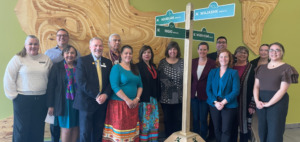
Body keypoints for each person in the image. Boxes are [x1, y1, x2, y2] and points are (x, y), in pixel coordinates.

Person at [3, 35, 53, 142]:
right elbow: (9, 78)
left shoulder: (46, 59)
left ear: (39, 46)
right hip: (22, 100)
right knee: (21, 130)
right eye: (30, 43)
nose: (33, 46)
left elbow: (52, 80)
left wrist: (49, 100)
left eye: (35, 44)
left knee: (38, 129)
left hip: (41, 100)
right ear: (25, 45)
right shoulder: (18, 58)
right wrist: (14, 96)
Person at [253, 42, 298, 142]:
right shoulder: (260, 68)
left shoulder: (287, 69)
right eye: (271, 50)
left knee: (275, 132)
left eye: (277, 50)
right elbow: (256, 86)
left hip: (277, 103)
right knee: (262, 131)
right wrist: (257, 101)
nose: (274, 52)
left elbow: (283, 90)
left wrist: (269, 103)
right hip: (261, 102)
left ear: (282, 53)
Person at [73, 37, 113, 141]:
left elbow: (111, 82)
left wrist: (105, 95)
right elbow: (81, 82)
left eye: (100, 46)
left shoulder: (108, 62)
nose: (98, 48)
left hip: (101, 104)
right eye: (95, 45)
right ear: (90, 47)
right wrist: (97, 95)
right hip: (86, 104)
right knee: (85, 134)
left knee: (98, 132)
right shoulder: (82, 61)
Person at [45, 29, 80, 142]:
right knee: (66, 128)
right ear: (63, 54)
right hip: (63, 102)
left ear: (75, 55)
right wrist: (51, 105)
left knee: (76, 127)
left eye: (72, 53)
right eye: (67, 53)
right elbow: (51, 86)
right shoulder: (57, 67)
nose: (70, 55)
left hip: (77, 101)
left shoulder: (79, 67)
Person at [103, 45, 143, 142]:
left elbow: (140, 85)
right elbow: (115, 86)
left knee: (131, 133)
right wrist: (127, 100)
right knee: (120, 134)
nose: (128, 55)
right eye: (126, 53)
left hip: (133, 105)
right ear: (121, 55)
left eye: (130, 53)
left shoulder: (135, 68)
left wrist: (137, 99)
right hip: (119, 105)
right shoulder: (116, 68)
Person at [206, 49, 240, 142]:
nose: (223, 59)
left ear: (229, 59)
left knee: (226, 130)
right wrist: (216, 102)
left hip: (229, 104)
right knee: (217, 128)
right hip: (214, 103)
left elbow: (236, 90)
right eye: (221, 56)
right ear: (218, 59)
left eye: (226, 56)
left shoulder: (233, 73)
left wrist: (223, 102)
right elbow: (208, 90)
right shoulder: (213, 72)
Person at [158, 41, 184, 137]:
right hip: (165, 98)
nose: (172, 51)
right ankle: (169, 138)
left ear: (177, 51)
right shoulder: (162, 62)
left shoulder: (182, 62)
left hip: (179, 97)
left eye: (174, 49)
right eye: (170, 49)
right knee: (167, 120)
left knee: (178, 120)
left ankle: (177, 138)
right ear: (167, 51)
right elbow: (158, 79)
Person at [191, 42, 215, 140]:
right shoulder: (193, 61)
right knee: (195, 118)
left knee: (203, 119)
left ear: (207, 51)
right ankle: (195, 138)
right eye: (200, 49)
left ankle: (203, 138)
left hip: (205, 95)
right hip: (193, 95)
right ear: (198, 50)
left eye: (204, 49)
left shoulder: (212, 63)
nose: (202, 51)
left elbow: (213, 80)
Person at [136, 45, 160, 141]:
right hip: (144, 100)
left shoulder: (154, 66)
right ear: (141, 55)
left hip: (153, 100)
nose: (147, 54)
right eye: (144, 52)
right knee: (145, 124)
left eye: (149, 52)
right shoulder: (138, 66)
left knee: (153, 123)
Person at [232, 46, 255, 142]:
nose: (242, 54)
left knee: (244, 126)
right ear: (235, 54)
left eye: (245, 53)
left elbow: (256, 87)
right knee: (230, 125)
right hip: (230, 102)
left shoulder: (252, 68)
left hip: (245, 103)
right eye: (240, 52)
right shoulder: (230, 66)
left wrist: (252, 104)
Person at [249, 44, 270, 142]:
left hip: (268, 96)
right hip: (253, 95)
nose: (263, 52)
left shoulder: (274, 63)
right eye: (261, 50)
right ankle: (256, 139)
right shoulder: (252, 63)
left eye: (266, 50)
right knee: (254, 121)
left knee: (266, 121)